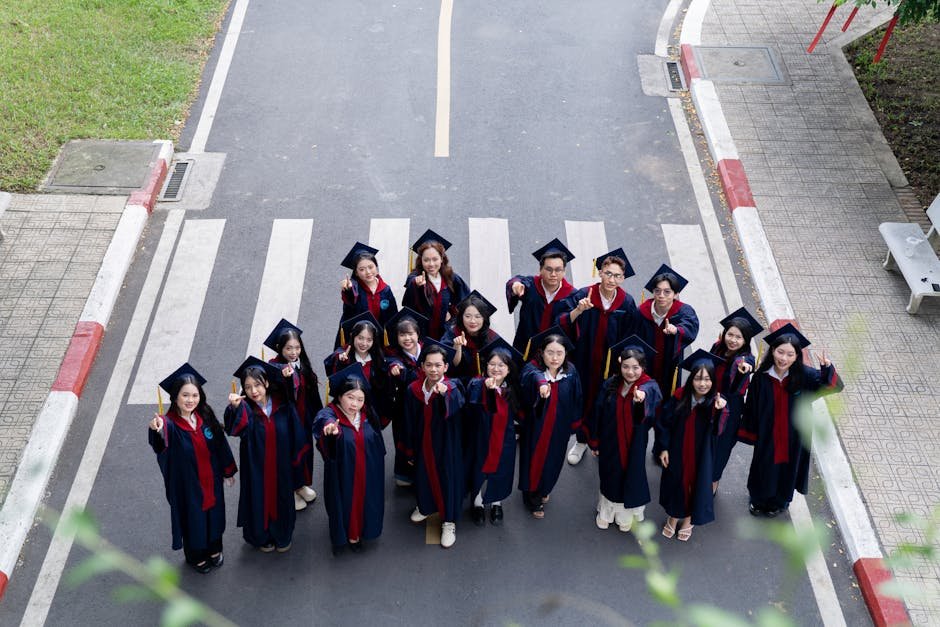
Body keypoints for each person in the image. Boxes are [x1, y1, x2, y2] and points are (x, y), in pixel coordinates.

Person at [738, 324, 844, 517]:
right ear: (773, 351)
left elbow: (833, 387)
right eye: (780, 352)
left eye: (790, 354)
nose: (783, 358)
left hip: (793, 436)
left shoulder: (805, 376)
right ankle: (758, 500)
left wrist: (827, 368)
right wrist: (751, 432)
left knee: (787, 469)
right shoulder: (761, 378)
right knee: (763, 467)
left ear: (796, 357)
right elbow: (752, 406)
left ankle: (779, 503)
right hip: (767, 435)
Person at [149, 364, 236, 574]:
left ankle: (215, 548)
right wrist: (156, 431)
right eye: (185, 395)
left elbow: (219, 444)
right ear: (175, 397)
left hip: (211, 480)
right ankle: (196, 555)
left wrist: (227, 470)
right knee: (194, 519)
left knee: (215, 514)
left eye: (194, 395)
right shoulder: (169, 423)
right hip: (188, 485)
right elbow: (161, 444)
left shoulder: (205, 417)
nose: (190, 400)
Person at [557, 248, 639, 465]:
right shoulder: (584, 295)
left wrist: (625, 360)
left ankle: (599, 439)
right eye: (608, 273)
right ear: (600, 273)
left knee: (604, 402)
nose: (612, 279)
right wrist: (578, 311)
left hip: (610, 365)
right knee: (582, 400)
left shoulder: (627, 303)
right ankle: (581, 441)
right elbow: (561, 322)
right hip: (582, 360)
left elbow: (631, 335)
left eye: (617, 276)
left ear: (623, 278)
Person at [224, 357, 307, 552]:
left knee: (283, 498)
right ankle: (261, 537)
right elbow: (234, 430)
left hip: (281, 464)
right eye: (248, 386)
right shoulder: (245, 409)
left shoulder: (282, 404)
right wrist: (234, 408)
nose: (254, 391)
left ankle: (283, 534)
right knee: (258, 499)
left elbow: (296, 431)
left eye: (258, 385)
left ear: (267, 383)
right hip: (256, 467)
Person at [587, 337, 662, 533]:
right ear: (620, 365)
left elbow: (656, 412)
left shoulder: (650, 387)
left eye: (636, 367)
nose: (630, 372)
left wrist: (641, 398)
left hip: (634, 444)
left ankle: (624, 515)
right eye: (626, 366)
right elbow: (597, 412)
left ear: (643, 367)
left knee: (632, 475)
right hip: (610, 441)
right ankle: (606, 511)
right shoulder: (611, 384)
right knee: (609, 474)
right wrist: (594, 441)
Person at [313, 364, 387, 555]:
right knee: (343, 504)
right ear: (339, 396)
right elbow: (323, 421)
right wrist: (330, 429)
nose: (354, 404)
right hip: (342, 473)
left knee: (366, 502)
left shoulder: (368, 414)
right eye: (350, 397)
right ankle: (344, 537)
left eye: (360, 399)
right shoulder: (331, 414)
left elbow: (377, 439)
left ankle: (361, 532)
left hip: (368, 471)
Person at [657, 350, 727, 542]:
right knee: (676, 482)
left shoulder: (717, 404)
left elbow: (719, 431)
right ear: (691, 380)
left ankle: (689, 519)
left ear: (713, 381)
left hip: (701, 456)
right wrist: (663, 447)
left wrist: (720, 412)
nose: (703, 384)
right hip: (678, 451)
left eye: (707, 379)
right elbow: (664, 422)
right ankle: (673, 515)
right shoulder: (679, 397)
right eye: (698, 379)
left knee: (695, 485)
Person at [404, 340, 466, 548]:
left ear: (446, 367)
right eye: (429, 364)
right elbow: (408, 420)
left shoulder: (452, 387)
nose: (433, 369)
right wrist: (410, 449)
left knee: (447, 478)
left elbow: (458, 405)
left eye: (438, 365)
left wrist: (445, 393)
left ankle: (449, 522)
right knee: (423, 474)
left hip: (446, 446)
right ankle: (425, 506)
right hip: (423, 443)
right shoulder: (413, 390)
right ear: (422, 366)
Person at [517, 327, 583, 519]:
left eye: (559, 353)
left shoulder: (571, 372)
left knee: (553, 460)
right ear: (542, 352)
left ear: (565, 354)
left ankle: (544, 487)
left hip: (558, 427)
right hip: (535, 427)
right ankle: (532, 498)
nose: (555, 358)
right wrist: (542, 385)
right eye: (550, 353)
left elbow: (577, 397)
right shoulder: (532, 369)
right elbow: (530, 380)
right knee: (533, 460)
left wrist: (574, 423)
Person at [636, 264, 699, 461]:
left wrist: (676, 331)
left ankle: (661, 447)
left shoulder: (683, 312)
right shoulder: (642, 312)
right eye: (657, 291)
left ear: (675, 293)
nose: (661, 295)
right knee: (642, 408)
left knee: (667, 410)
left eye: (667, 291)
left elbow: (690, 328)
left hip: (669, 370)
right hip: (646, 369)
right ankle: (637, 446)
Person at [264, 318, 322, 512]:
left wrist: (318, 417)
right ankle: (290, 490)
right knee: (289, 455)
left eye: (297, 347)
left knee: (305, 451)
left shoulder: (302, 364)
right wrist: (283, 378)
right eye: (289, 348)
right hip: (285, 422)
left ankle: (301, 484)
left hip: (304, 418)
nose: (293, 352)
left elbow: (312, 393)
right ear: (280, 348)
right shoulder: (273, 368)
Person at [464, 338, 523, 527]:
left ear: (509, 369)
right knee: (479, 469)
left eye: (501, 365)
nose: (496, 369)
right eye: (492, 364)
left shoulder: (512, 390)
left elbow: (520, 414)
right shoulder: (477, 384)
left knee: (502, 470)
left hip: (504, 439)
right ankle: (477, 502)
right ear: (485, 365)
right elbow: (473, 405)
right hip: (481, 438)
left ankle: (497, 502)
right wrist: (487, 389)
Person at [709, 307, 761, 494]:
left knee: (721, 447)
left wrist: (744, 368)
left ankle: (713, 481)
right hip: (709, 401)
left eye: (738, 337)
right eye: (730, 334)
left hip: (729, 409)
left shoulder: (745, 359)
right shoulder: (717, 347)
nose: (733, 340)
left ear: (746, 340)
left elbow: (746, 366)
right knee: (703, 441)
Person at [384, 307, 430, 487]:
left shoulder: (428, 350)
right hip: (404, 407)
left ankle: (424, 471)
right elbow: (387, 363)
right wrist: (393, 368)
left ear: (418, 334)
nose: (407, 339)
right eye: (402, 335)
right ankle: (404, 474)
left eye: (410, 334)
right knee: (404, 437)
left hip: (427, 404)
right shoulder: (394, 356)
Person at [505, 238, 576, 353]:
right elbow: (517, 281)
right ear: (540, 269)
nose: (553, 274)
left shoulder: (571, 296)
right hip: (525, 346)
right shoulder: (531, 286)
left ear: (564, 272)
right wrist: (515, 285)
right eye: (549, 269)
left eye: (558, 270)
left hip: (554, 353)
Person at [325, 311, 392, 426]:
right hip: (348, 409)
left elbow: (384, 387)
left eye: (369, 340)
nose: (364, 343)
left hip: (371, 408)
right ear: (352, 336)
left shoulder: (378, 359)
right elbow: (334, 381)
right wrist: (341, 362)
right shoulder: (344, 356)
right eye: (360, 338)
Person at [402, 229, 470, 340]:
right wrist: (416, 284)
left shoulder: (451, 277)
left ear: (442, 259)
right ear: (421, 260)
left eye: (435, 259)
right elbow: (408, 303)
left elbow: (466, 300)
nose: (431, 264)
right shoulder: (415, 277)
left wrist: (452, 316)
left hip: (445, 333)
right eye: (426, 260)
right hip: (421, 332)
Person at [336, 242, 398, 347]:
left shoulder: (385, 290)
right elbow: (350, 299)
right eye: (362, 269)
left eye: (371, 267)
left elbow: (393, 316)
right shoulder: (355, 289)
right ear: (356, 272)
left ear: (376, 267)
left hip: (379, 338)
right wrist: (348, 289)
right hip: (357, 339)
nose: (368, 272)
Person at [442, 290, 502, 384]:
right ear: (461, 317)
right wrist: (457, 347)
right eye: (468, 316)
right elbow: (448, 366)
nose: (472, 321)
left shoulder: (492, 338)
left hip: (485, 384)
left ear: (484, 318)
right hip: (458, 384)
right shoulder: (452, 335)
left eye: (478, 316)